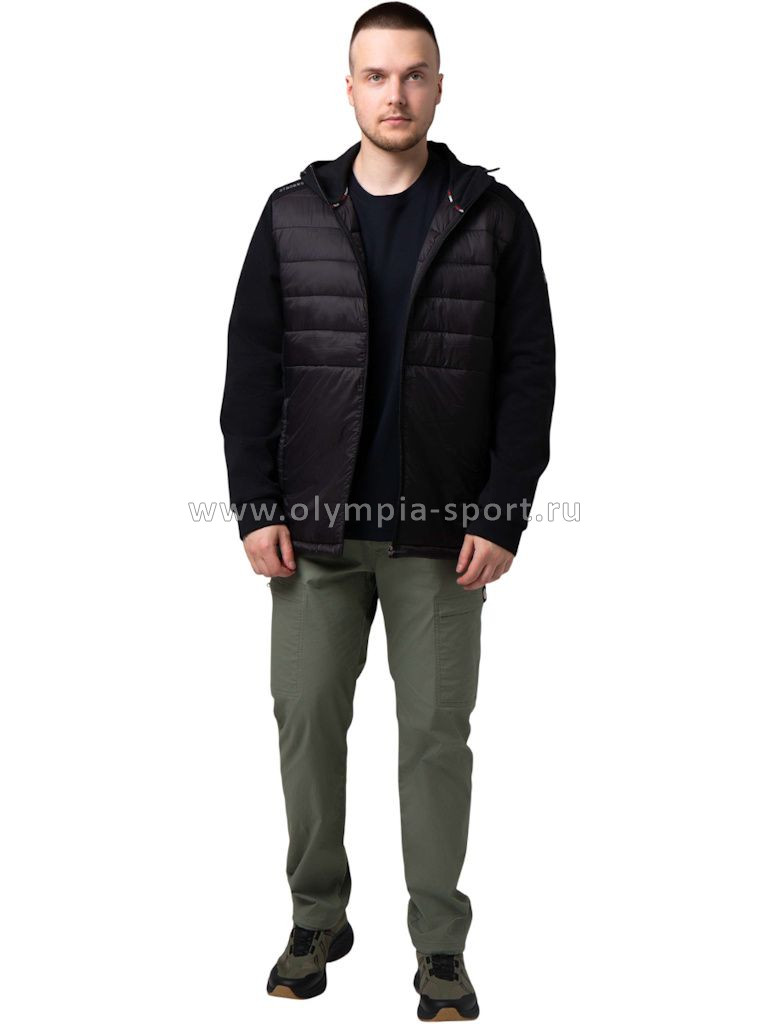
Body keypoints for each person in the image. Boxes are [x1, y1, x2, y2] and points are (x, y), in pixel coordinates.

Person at [219, 3, 556, 1019]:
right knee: (305, 724)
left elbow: (528, 376)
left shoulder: (493, 217)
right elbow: (252, 367)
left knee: (435, 738)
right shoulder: (292, 214)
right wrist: (254, 505)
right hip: (312, 534)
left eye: (414, 74)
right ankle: (317, 915)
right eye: (376, 75)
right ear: (350, 87)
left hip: (442, 539)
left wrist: (501, 513)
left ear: (440, 86)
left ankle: (440, 945)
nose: (395, 94)